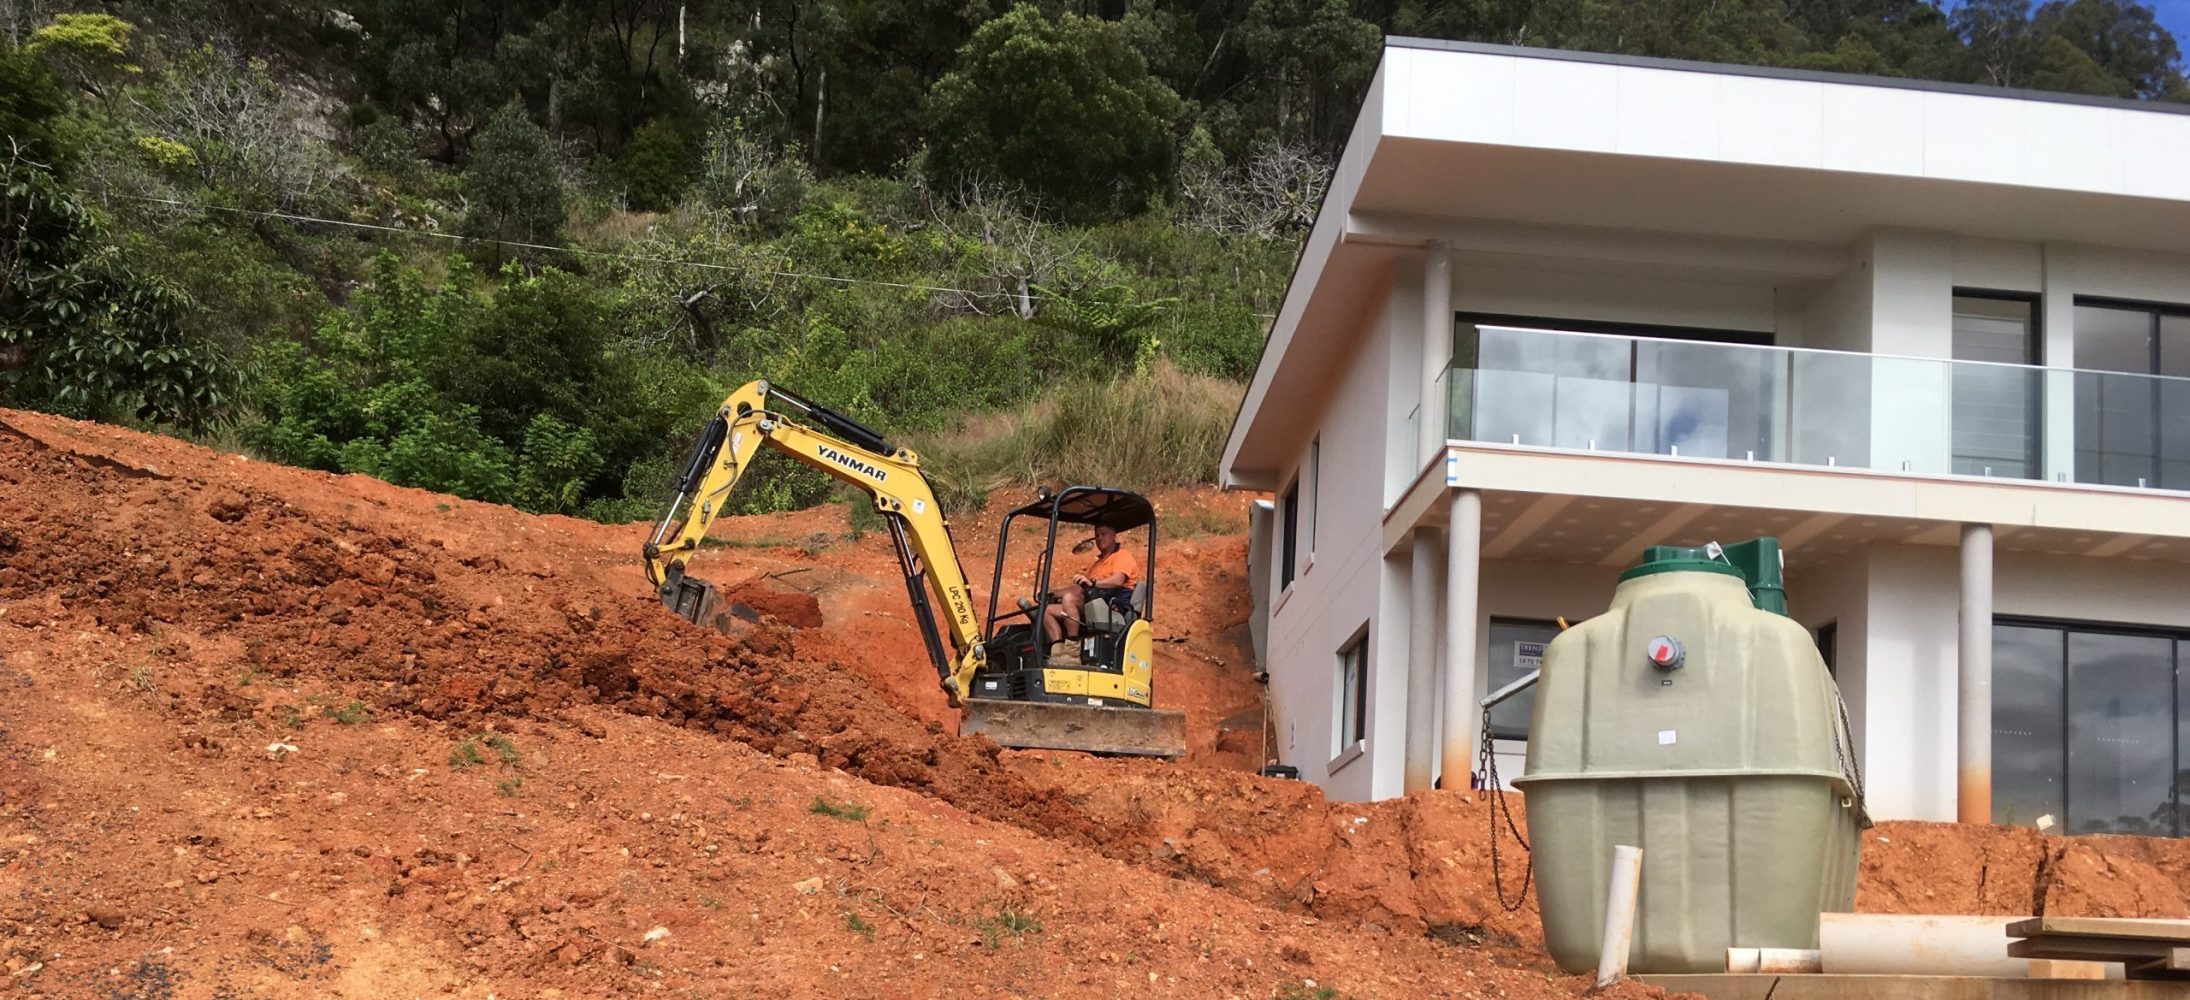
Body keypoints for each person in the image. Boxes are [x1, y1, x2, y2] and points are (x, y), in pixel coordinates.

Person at [1041, 523, 1139, 655]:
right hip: (1095, 602)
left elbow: (1118, 580)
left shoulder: (1123, 556)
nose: (1099, 538)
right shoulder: (1098, 564)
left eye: (1103, 534)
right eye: (1097, 535)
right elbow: (1081, 588)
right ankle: (1058, 650)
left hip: (1113, 606)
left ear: (1113, 536)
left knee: (1069, 599)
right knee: (1046, 610)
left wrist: (1092, 583)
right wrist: (1054, 592)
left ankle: (1072, 651)